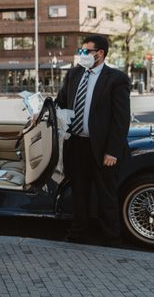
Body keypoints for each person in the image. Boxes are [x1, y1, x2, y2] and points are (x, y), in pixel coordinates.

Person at [56, 34, 131, 246]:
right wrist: (44, 109)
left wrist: (113, 151)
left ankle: (111, 237)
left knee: (106, 194)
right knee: (79, 192)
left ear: (100, 54)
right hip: (77, 144)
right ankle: (78, 233)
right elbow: (62, 102)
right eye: (81, 50)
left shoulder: (116, 79)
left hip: (102, 148)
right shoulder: (73, 74)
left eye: (85, 51)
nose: (81, 54)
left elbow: (121, 119)